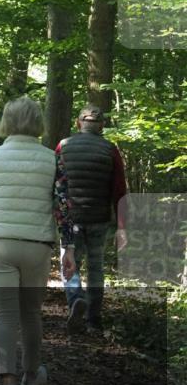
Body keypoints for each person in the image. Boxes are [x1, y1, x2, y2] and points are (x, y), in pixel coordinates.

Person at [0, 96, 76, 385]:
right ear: (37, 122)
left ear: (7, 122)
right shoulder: (52, 158)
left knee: (5, 313)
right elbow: (63, 205)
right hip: (36, 243)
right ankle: (31, 376)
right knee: (31, 313)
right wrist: (68, 246)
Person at [57, 104, 129, 336]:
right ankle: (93, 319)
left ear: (79, 124)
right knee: (96, 267)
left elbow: (53, 184)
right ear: (102, 126)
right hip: (99, 219)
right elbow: (119, 191)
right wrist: (121, 227)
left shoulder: (63, 146)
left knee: (69, 264)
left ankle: (76, 300)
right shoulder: (110, 150)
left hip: (71, 219)